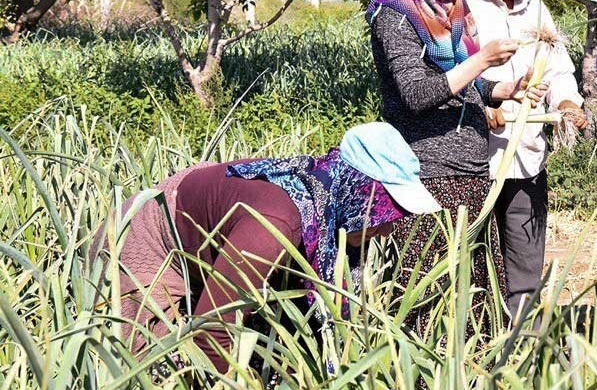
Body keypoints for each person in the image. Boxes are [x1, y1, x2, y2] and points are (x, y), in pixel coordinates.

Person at [93, 123, 440, 375]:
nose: (390, 227)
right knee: (147, 375)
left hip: (210, 232)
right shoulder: (277, 224)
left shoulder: (324, 200)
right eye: (385, 211)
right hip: (147, 236)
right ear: (358, 193)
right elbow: (212, 330)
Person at [367, 0, 548, 326]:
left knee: (475, 304)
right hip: (429, 177)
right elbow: (416, 94)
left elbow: (455, 84)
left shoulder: (446, 10)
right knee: (433, 304)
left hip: (469, 173)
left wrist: (499, 90)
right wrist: (482, 61)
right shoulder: (395, 16)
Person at [464, 0, 590, 313]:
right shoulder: (461, 1)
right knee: (471, 264)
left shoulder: (536, 10)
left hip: (527, 160)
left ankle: (523, 353)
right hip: (473, 162)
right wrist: (480, 105)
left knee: (524, 269)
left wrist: (568, 104)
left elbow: (557, 70)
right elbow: (444, 74)